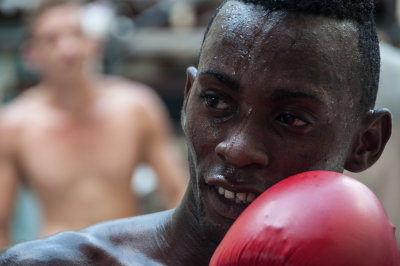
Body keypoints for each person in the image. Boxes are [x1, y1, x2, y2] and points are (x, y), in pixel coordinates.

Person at [0, 0, 396, 264]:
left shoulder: (131, 107)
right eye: (217, 102)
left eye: (290, 119)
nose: (237, 149)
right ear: (189, 99)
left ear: (366, 143)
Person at [0, 0, 187, 249]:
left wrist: (168, 253)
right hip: (55, 260)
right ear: (31, 54)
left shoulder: (136, 107)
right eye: (51, 39)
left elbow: (178, 193)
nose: (67, 49)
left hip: (126, 255)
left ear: (93, 44)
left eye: (76, 34)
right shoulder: (15, 125)